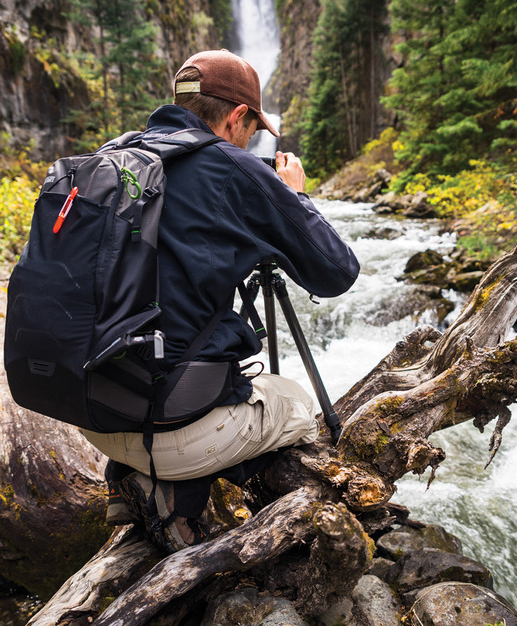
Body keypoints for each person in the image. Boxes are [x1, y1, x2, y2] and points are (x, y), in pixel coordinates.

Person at [80, 49, 359, 553]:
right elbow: (337, 271)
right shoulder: (232, 168)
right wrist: (294, 197)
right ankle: (176, 494)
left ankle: (128, 479)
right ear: (236, 117)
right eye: (252, 131)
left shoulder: (113, 158)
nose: (249, 141)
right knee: (294, 403)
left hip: (87, 414)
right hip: (170, 437)